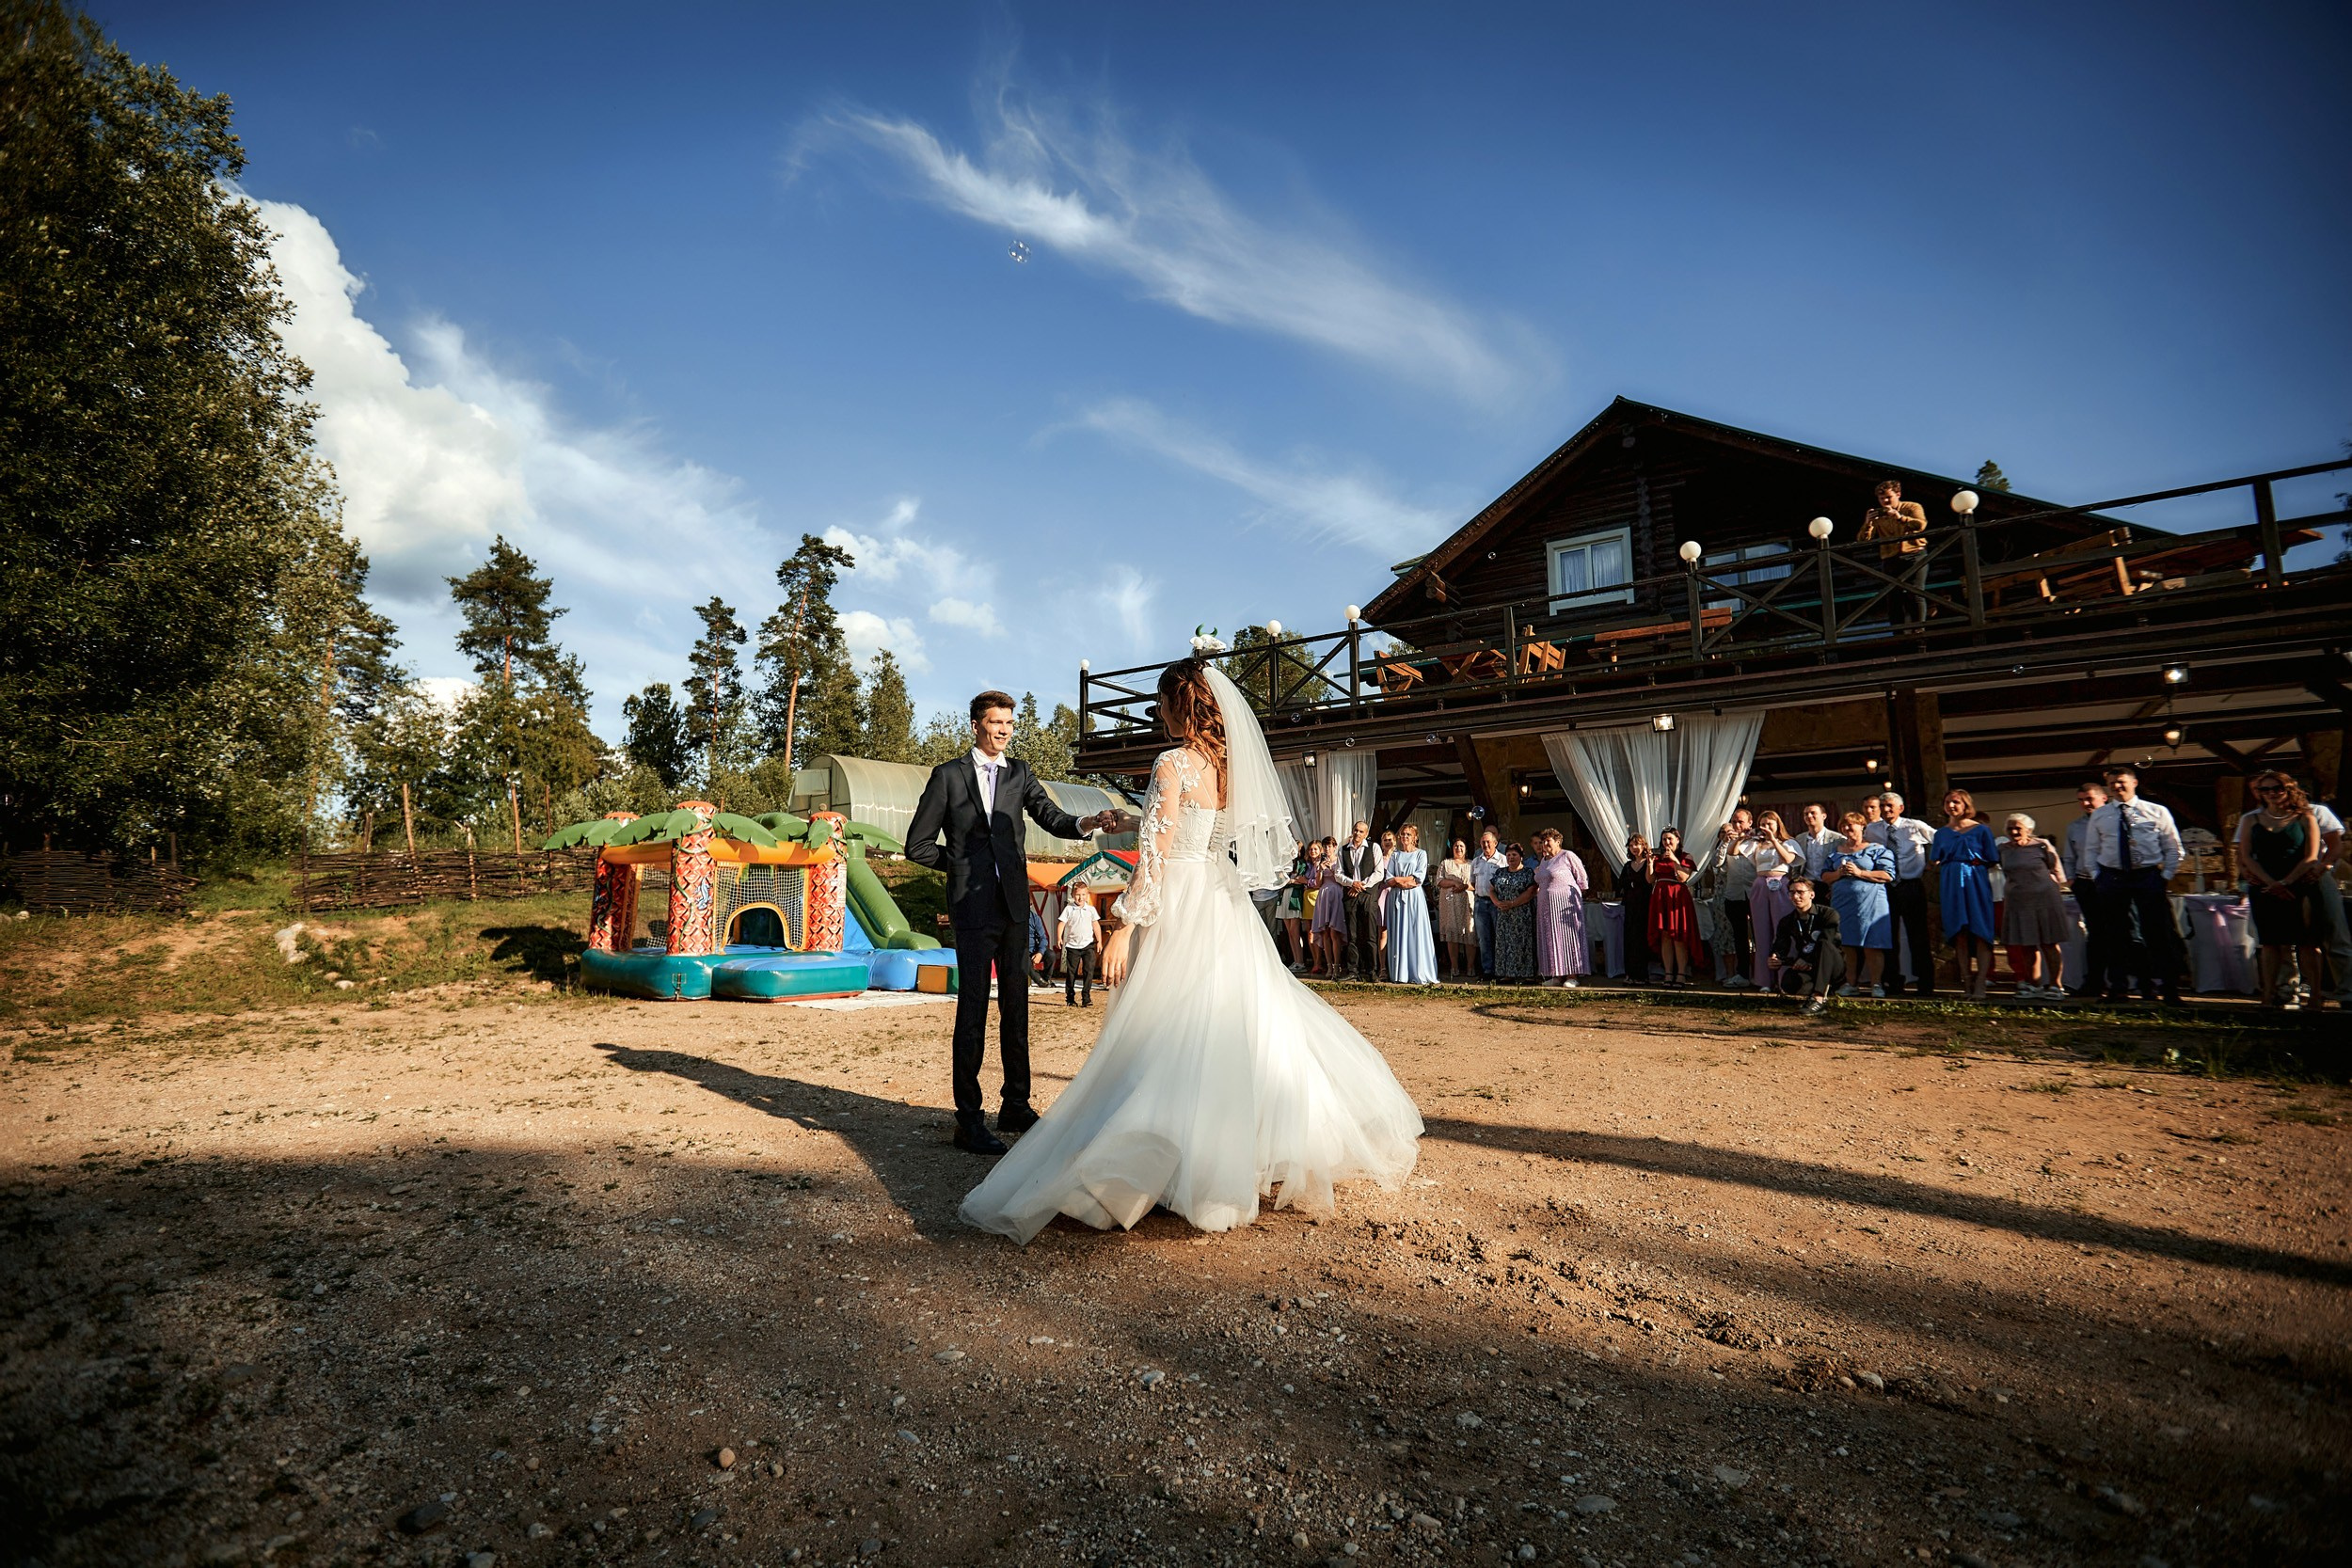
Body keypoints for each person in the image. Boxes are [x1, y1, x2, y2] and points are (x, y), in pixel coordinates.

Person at [958, 657, 1423, 1243]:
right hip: (1219, 900)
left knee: (1163, 1030)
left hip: (1176, 900)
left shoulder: (1171, 761)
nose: (1159, 713)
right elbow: (1187, 830)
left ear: (1184, 705)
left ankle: (1150, 1159)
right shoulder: (1226, 770)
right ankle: (1237, 1157)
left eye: (1163, 702)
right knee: (1234, 1027)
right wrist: (1133, 815)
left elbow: (1156, 852)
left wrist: (1125, 923)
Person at [907, 689, 1120, 1156]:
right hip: (971, 908)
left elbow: (1052, 817)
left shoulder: (1020, 773)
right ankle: (968, 1120)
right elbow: (917, 846)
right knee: (973, 1012)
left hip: (1013, 909)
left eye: (1008, 723)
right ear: (976, 724)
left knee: (1017, 1009)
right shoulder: (947, 777)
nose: (1003, 730)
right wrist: (963, 865)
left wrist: (1091, 823)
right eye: (995, 722)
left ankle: (1016, 1105)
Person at [2086, 765, 2186, 1005]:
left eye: (2121, 782)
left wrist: (2165, 875)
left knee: (2158, 934)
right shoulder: (2101, 815)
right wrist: (2096, 875)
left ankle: (2168, 989)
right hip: (2113, 877)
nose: (2116, 787)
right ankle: (2118, 988)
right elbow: (2091, 849)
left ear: (2134, 782)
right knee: (2115, 934)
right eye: (2112, 783)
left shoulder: (2156, 811)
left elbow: (2173, 847)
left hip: (2147, 876)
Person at [2234, 769, 2323, 1008]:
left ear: (2289, 790)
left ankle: (2315, 997)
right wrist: (2270, 883)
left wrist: (2286, 882)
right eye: (2265, 789)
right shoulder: (2250, 820)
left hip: (2300, 885)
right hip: (2264, 887)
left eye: (2277, 788)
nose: (2271, 793)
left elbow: (2311, 856)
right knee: (2270, 942)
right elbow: (2246, 856)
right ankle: (2268, 996)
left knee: (2306, 941)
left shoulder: (2305, 817)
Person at [1931, 789, 2000, 1002]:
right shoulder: (1941, 833)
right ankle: (1966, 980)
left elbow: (1992, 858)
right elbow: (1935, 858)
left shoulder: (1981, 831)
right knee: (1958, 932)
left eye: (1956, 802)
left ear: (1965, 805)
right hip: (1951, 879)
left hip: (1975, 878)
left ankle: (1981, 981)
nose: (1952, 806)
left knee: (1980, 929)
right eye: (1948, 802)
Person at [1869, 790, 1938, 996]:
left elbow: (1941, 839)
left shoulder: (1914, 826)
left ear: (1901, 808)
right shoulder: (1872, 830)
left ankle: (1925, 984)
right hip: (1885, 887)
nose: (1886, 810)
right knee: (1888, 936)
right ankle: (1893, 982)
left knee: (1918, 935)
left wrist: (1933, 861)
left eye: (1890, 805)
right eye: (1883, 806)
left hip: (1911, 885)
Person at [1821, 811, 1896, 997]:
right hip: (1843, 904)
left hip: (1871, 902)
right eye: (1843, 826)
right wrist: (1838, 874)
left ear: (1862, 826)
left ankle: (1876, 984)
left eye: (1851, 824)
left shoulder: (1876, 849)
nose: (1847, 828)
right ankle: (1851, 983)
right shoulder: (1835, 853)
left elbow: (1888, 875)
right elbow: (1824, 876)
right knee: (1847, 944)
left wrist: (1860, 873)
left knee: (1873, 944)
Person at [1997, 814, 2070, 1000]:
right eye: (2010, 828)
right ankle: (2034, 984)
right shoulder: (2003, 849)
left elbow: (2057, 871)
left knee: (2049, 943)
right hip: (2018, 902)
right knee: (2027, 944)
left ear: (2028, 830)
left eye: (2018, 828)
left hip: (2045, 900)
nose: (2014, 831)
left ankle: (2056, 985)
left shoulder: (2042, 845)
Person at [2061, 782, 2113, 997]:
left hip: (2113, 881)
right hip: (2086, 883)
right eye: (2081, 799)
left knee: (2120, 931)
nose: (2085, 803)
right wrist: (2073, 881)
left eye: (2089, 798)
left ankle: (2126, 982)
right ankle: (2094, 982)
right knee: (2095, 934)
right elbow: (2069, 857)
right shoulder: (2075, 826)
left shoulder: (2115, 822)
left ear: (2104, 798)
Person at [1717, 808, 1775, 990]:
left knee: (1761, 936)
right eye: (1734, 821)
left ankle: (1764, 976)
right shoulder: (1728, 842)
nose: (1737, 825)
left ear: (1750, 823)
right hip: (1734, 894)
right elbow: (1717, 864)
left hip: (1756, 894)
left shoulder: (1758, 841)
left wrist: (1749, 839)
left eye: (1740, 821)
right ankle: (1742, 974)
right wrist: (1725, 843)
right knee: (1739, 937)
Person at [1859, 477, 1930, 625]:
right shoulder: (1878, 515)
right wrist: (1868, 524)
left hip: (1914, 553)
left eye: (1889, 497)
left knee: (1915, 593)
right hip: (1891, 558)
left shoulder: (1912, 507)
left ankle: (1919, 629)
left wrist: (1900, 518)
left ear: (1898, 494)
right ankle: (1897, 633)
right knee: (1892, 597)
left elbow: (1920, 525)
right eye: (1882, 498)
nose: (1885, 502)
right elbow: (1863, 540)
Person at [1769, 876, 1843, 1013]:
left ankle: (1818, 998)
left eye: (1800, 892)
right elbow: (1781, 944)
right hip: (1808, 967)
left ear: (1812, 894)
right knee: (1789, 982)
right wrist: (1776, 957)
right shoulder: (1787, 920)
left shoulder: (1828, 914)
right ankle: (1822, 988)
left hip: (1833, 964)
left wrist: (1805, 958)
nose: (1796, 896)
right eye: (1792, 893)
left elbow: (1829, 939)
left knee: (1823, 944)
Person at [1744, 810, 1800, 989]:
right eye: (1763, 824)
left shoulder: (1788, 842)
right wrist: (1744, 837)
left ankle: (1784, 979)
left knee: (1782, 930)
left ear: (1777, 825)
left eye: (1770, 824)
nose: (1767, 828)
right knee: (1761, 932)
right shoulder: (1757, 845)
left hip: (1780, 883)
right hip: (1761, 884)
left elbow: (1789, 859)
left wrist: (1774, 840)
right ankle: (1764, 980)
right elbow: (1733, 851)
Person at [1532, 827, 1590, 987]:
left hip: (1565, 906)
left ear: (1557, 841)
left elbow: (1582, 879)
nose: (1544, 844)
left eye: (1548, 840)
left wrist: (1574, 899)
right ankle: (1557, 974)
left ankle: (1572, 975)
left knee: (1567, 937)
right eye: (1543, 841)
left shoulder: (1567, 856)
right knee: (1552, 938)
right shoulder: (1544, 861)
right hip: (1546, 907)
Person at [1384, 825, 1439, 985]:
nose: (1405, 837)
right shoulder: (1395, 855)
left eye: (1408, 834)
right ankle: (1401, 972)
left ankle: (1418, 970)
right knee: (1400, 931)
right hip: (1397, 898)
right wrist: (1402, 880)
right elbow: (1389, 879)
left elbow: (1418, 879)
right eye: (1403, 834)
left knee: (1416, 931)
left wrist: (1398, 880)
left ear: (1415, 837)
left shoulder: (1421, 854)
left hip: (1415, 898)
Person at [1332, 820, 1386, 982]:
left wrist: (1361, 885)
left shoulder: (1374, 847)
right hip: (1350, 894)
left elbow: (1379, 873)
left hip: (1368, 894)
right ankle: (1353, 970)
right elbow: (1338, 874)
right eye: (1355, 830)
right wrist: (1351, 884)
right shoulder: (1343, 850)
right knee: (1352, 934)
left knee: (1370, 934)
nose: (1357, 834)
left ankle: (1372, 971)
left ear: (1366, 834)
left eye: (1361, 831)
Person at [1648, 828, 1699, 987]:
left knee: (1678, 935)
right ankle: (1668, 973)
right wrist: (1650, 863)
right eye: (1664, 840)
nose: (1667, 843)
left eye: (1670, 839)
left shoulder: (1685, 857)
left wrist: (1674, 861)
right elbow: (1650, 880)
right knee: (1665, 935)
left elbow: (1683, 877)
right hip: (1661, 896)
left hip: (1677, 896)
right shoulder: (1658, 857)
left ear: (1677, 840)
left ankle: (1681, 974)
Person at [1489, 843, 1538, 981]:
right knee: (1505, 944)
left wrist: (1512, 904)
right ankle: (1508, 974)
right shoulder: (1501, 872)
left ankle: (1526, 974)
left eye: (1514, 855)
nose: (1511, 857)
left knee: (1522, 943)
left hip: (1522, 915)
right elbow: (1491, 889)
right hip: (1504, 915)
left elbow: (1530, 892)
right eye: (1509, 855)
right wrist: (1497, 903)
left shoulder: (1528, 872)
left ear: (1521, 857)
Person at [1614, 832, 1654, 982]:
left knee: (1643, 939)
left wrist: (1650, 863)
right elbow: (1621, 884)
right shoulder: (1627, 866)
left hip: (1645, 904)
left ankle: (1643, 975)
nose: (1634, 848)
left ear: (1643, 846)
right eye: (1631, 845)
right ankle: (1629, 974)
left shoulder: (1649, 862)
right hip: (1631, 906)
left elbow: (1650, 881)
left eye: (1637, 844)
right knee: (1630, 939)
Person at [1468, 828, 1507, 978]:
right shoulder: (1476, 861)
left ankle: (1500, 969)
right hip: (1480, 902)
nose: (1486, 845)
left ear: (1495, 843)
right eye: (1483, 842)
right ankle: (1488, 970)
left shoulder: (1503, 860)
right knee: (1483, 938)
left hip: (1496, 902)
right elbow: (1472, 881)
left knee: (1498, 936)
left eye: (1488, 842)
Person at [1436, 838, 1476, 978]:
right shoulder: (1445, 863)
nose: (1458, 848)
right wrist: (1453, 882)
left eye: (1461, 846)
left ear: (1466, 848)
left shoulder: (1472, 864)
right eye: (1456, 846)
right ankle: (1454, 966)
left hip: (1467, 902)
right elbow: (1439, 881)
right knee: (1452, 934)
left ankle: (1470, 966)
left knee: (1469, 934)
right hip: (1450, 903)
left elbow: (1476, 884)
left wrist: (1464, 886)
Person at [1057, 888, 1102, 1006]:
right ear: (1072, 895)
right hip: (1072, 945)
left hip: (1088, 945)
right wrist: (1059, 938)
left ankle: (1086, 997)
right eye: (1077, 895)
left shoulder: (1091, 910)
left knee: (1089, 970)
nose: (1080, 897)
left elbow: (1096, 926)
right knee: (1072, 972)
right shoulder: (1068, 909)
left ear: (1087, 895)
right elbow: (1061, 923)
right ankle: (1070, 998)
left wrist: (1100, 941)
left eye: (1083, 895)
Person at [1310, 835, 1346, 976]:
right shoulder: (1319, 862)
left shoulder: (1339, 860)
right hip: (1324, 895)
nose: (1327, 849)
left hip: (1336, 894)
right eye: (1325, 847)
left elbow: (1340, 879)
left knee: (1334, 932)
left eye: (1329, 846)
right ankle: (1329, 965)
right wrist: (1320, 869)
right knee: (1325, 932)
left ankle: (1337, 965)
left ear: (1335, 847)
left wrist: (1331, 869)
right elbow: (1318, 883)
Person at [1280, 841, 1315, 972]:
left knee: (1295, 931)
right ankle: (1296, 960)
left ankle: (1300, 961)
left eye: (1299, 849)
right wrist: (1289, 881)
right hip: (1284, 896)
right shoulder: (1287, 863)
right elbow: (1280, 880)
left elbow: (1300, 880)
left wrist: (1290, 881)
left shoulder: (1302, 864)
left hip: (1295, 897)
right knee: (1289, 932)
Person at [1791, 801, 1843, 882]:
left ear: (1824, 816)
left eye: (1813, 813)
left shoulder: (1837, 839)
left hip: (1829, 882)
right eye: (1806, 814)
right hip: (1807, 884)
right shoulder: (1800, 839)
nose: (1809, 816)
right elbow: (1796, 864)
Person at [1377, 828, 1401, 970]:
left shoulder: (1399, 857)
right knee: (1383, 932)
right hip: (1382, 894)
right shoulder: (1378, 858)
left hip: (1396, 893)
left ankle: (1397, 966)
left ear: (1395, 842)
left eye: (1390, 840)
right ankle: (1382, 967)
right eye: (1385, 840)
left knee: (1398, 931)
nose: (1387, 842)